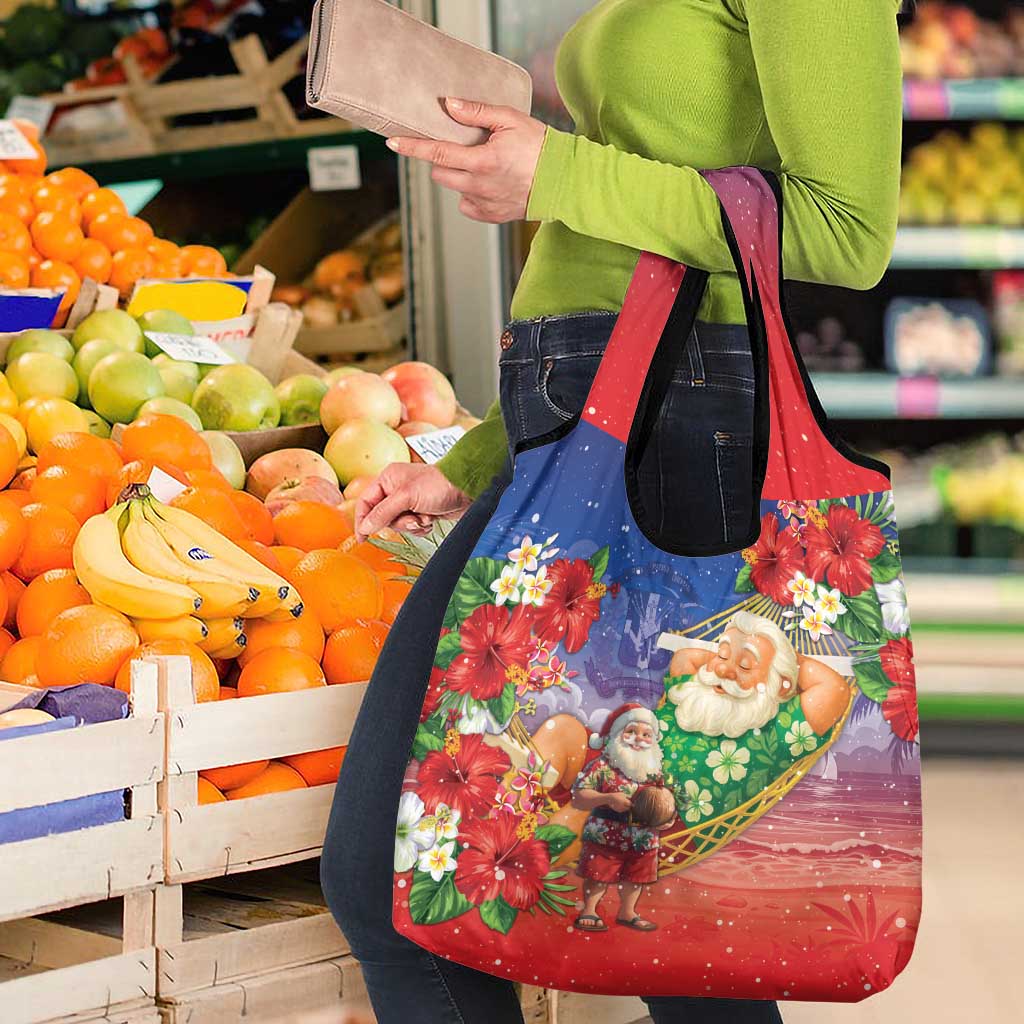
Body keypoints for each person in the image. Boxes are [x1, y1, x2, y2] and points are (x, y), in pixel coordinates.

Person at [321, 2, 905, 1022]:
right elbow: (623, 248)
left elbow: (847, 229)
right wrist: (481, 457)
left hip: (682, 443)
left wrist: (556, 172)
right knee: (655, 920)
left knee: (450, 883)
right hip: (593, 430)